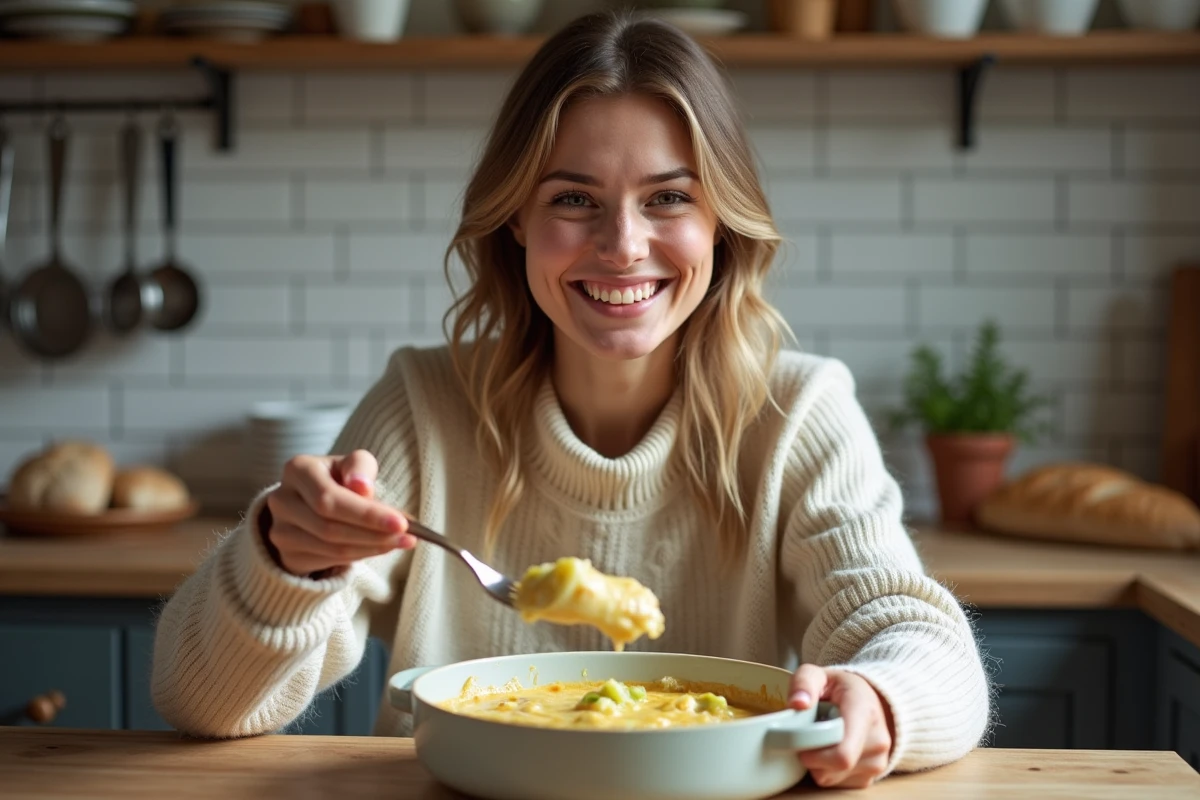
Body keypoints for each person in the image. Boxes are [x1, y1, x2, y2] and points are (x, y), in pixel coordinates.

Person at [152, 10, 991, 789]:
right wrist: (285, 558)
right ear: (516, 218)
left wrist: (881, 698)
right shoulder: (423, 405)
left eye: (669, 197)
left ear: (721, 224)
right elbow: (202, 703)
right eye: (573, 200)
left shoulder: (799, 412)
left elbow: (905, 630)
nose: (623, 247)